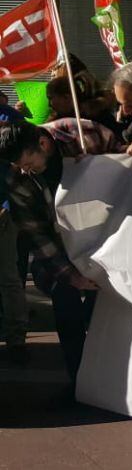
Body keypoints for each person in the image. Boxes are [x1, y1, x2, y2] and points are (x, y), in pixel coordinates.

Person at [0, 119, 123, 379]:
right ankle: (78, 380)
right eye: (20, 167)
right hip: (62, 247)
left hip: (112, 237)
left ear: (43, 144)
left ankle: (114, 379)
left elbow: (131, 167)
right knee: (66, 307)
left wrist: (107, 160)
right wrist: (71, 276)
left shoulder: (82, 132)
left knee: (108, 312)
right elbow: (37, 233)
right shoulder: (18, 176)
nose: (26, 171)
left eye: (29, 163)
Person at [0, 102, 28, 365]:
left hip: (5, 210)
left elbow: (22, 162)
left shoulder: (12, 118)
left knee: (8, 276)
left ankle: (16, 337)